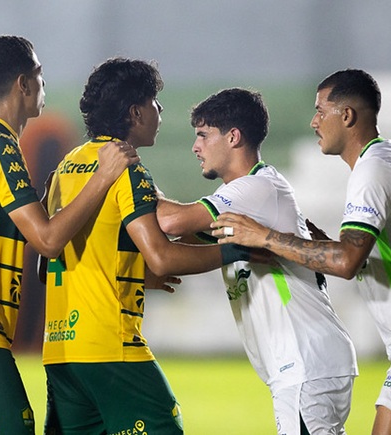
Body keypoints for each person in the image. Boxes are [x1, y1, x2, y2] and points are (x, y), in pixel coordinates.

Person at [210, 69, 391, 435]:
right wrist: (313, 241)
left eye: (321, 111)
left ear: (348, 115)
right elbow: (364, 253)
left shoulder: (373, 169)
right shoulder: (388, 158)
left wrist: (265, 236)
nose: (314, 122)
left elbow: (346, 261)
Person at [0, 36, 140, 435]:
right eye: (40, 75)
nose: (44, 85)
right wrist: (103, 177)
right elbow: (47, 241)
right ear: (23, 84)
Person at [41, 58, 253, 435]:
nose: (160, 109)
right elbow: (162, 256)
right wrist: (240, 249)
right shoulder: (126, 168)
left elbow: (51, 264)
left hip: (60, 352)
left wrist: (132, 271)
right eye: (154, 101)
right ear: (135, 112)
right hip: (110, 346)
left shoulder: (65, 167)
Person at [156, 88, 358, 434]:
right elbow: (177, 244)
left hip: (304, 361)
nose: (195, 147)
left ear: (233, 137)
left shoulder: (255, 189)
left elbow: (171, 222)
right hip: (306, 364)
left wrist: (132, 180)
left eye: (203, 135)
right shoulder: (247, 195)